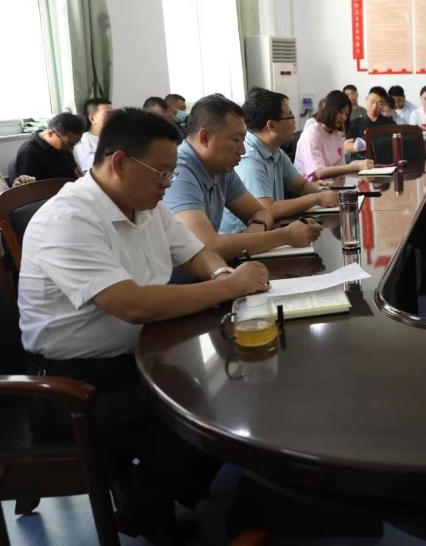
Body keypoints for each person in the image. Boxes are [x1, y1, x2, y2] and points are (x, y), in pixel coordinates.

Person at [19, 107, 270, 542]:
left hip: (140, 354)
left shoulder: (146, 205)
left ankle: (154, 497)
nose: (168, 183)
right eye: (162, 173)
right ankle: (146, 507)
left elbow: (196, 254)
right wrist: (231, 287)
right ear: (119, 162)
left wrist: (222, 274)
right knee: (205, 406)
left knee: (236, 380)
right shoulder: (70, 219)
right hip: (71, 383)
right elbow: (132, 304)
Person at [165, 94, 324, 260]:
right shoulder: (178, 171)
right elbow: (208, 247)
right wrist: (285, 236)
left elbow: (261, 212)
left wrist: (255, 230)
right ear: (205, 137)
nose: (242, 150)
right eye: (236, 140)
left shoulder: (221, 168)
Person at [222, 89, 341, 233]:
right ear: (271, 125)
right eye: (290, 116)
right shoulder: (249, 157)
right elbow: (266, 209)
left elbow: (302, 185)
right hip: (244, 238)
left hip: (270, 231)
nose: (294, 122)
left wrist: (331, 196)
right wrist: (317, 198)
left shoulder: (275, 150)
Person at [293, 90, 372, 181]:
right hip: (309, 186)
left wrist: (358, 169)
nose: (343, 117)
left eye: (346, 114)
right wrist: (354, 166)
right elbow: (319, 173)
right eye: (340, 112)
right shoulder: (312, 133)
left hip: (330, 185)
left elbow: (340, 170)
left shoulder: (337, 135)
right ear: (325, 107)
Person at [11, 112, 83, 181]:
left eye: (75, 144)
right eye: (68, 144)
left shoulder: (65, 146)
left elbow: (74, 173)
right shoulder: (29, 153)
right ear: (50, 133)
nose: (71, 148)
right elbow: (27, 187)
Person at [345, 86, 396, 159]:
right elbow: (347, 146)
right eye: (372, 101)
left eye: (379, 103)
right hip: (362, 162)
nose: (375, 106)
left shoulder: (390, 123)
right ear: (366, 99)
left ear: (384, 104)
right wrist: (359, 146)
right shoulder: (355, 123)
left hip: (384, 161)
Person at [74, 97, 113, 172]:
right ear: (92, 119)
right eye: (107, 114)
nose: (112, 118)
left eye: (113, 114)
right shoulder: (83, 142)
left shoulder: (114, 137)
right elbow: (94, 171)